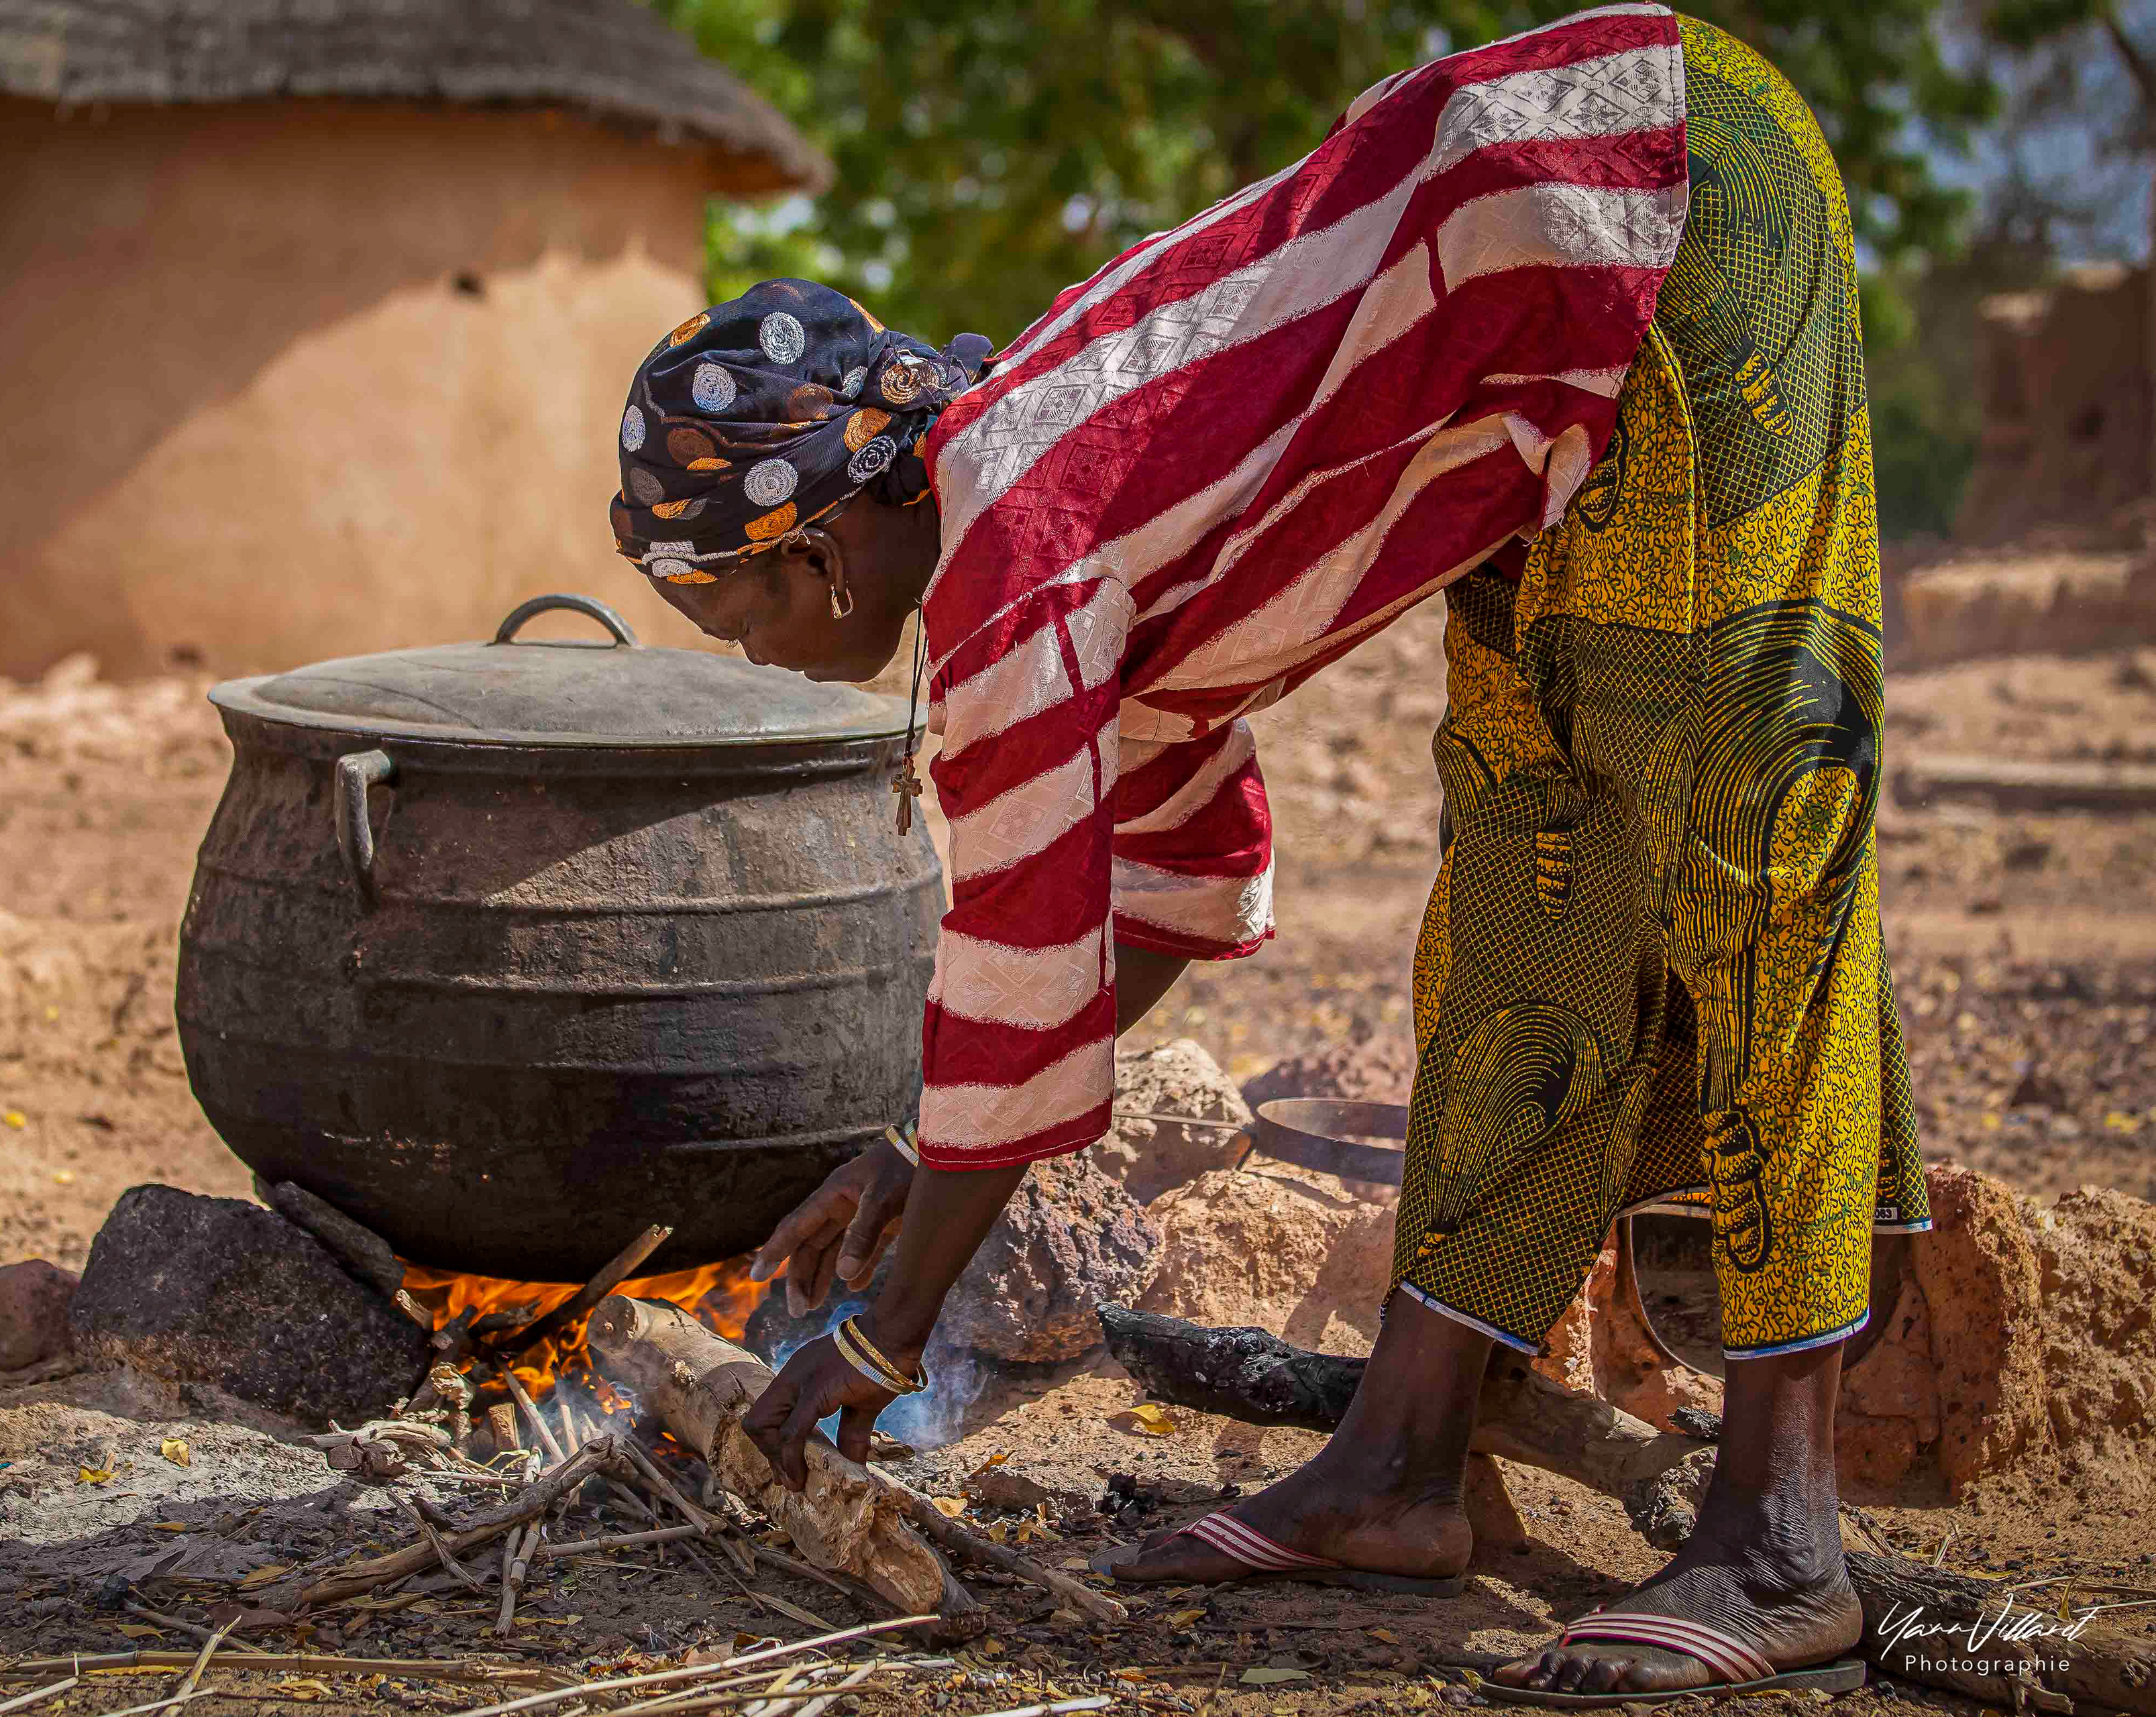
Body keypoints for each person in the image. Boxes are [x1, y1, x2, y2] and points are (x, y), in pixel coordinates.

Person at [606, 5, 1929, 1705]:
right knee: (1540, 886)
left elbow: (1015, 1001)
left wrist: (884, 1323)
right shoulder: (1020, 547)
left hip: (1657, 196)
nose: (752, 652)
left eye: (738, 604)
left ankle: (1780, 1528)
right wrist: (900, 1153)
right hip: (1526, 355)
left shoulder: (1013, 565)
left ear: (826, 541)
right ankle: (1399, 1459)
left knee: (1753, 834)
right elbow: (1160, 891)